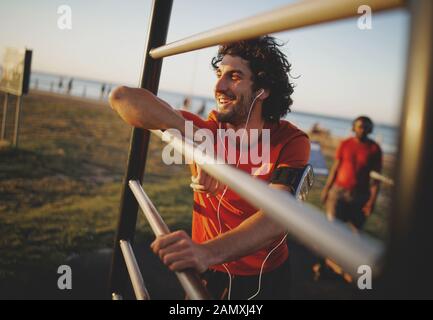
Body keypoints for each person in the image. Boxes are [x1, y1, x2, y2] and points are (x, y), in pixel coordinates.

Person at [109, 36, 310, 299]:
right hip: (208, 271)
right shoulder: (206, 131)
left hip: (263, 276)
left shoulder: (291, 141)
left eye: (234, 77)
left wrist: (207, 252)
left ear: (263, 90)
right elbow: (122, 98)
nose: (219, 86)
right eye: (219, 74)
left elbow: (278, 215)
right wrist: (200, 146)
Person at [321, 116, 382, 232]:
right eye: (360, 127)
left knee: (355, 232)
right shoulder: (345, 144)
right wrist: (327, 189)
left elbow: (376, 179)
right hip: (338, 193)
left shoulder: (374, 148)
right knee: (332, 229)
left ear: (370, 130)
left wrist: (372, 201)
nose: (362, 130)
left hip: (361, 196)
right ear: (354, 128)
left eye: (366, 127)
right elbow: (335, 168)